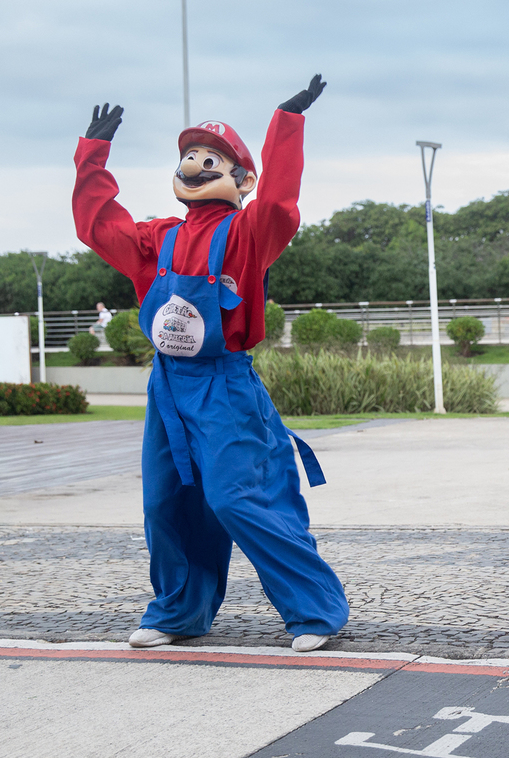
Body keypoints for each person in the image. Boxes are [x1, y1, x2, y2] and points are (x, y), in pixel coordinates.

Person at [71, 75, 349, 653]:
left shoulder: (247, 233)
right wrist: (92, 159)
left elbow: (278, 204)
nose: (195, 165)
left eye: (211, 158)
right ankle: (180, 611)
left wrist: (285, 124)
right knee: (166, 502)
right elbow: (100, 227)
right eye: (189, 157)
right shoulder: (157, 239)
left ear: (242, 179)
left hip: (224, 387)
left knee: (237, 497)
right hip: (168, 388)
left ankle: (315, 610)